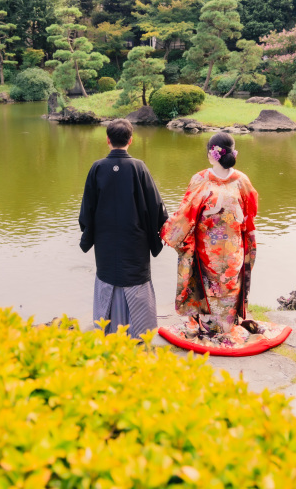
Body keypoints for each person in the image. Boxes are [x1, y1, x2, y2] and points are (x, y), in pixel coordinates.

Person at [160, 132, 258, 337]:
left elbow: (185, 213)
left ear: (211, 155)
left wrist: (167, 229)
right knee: (229, 282)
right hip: (233, 246)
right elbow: (251, 212)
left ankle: (209, 327)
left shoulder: (200, 179)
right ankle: (227, 327)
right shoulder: (242, 180)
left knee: (210, 284)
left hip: (208, 246)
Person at [79, 119, 168, 339]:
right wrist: (159, 230)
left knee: (108, 276)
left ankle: (108, 328)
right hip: (135, 238)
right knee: (135, 277)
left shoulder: (97, 168)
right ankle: (140, 331)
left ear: (107, 140)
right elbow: (155, 206)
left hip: (105, 238)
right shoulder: (139, 167)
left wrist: (89, 233)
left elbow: (86, 209)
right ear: (131, 140)